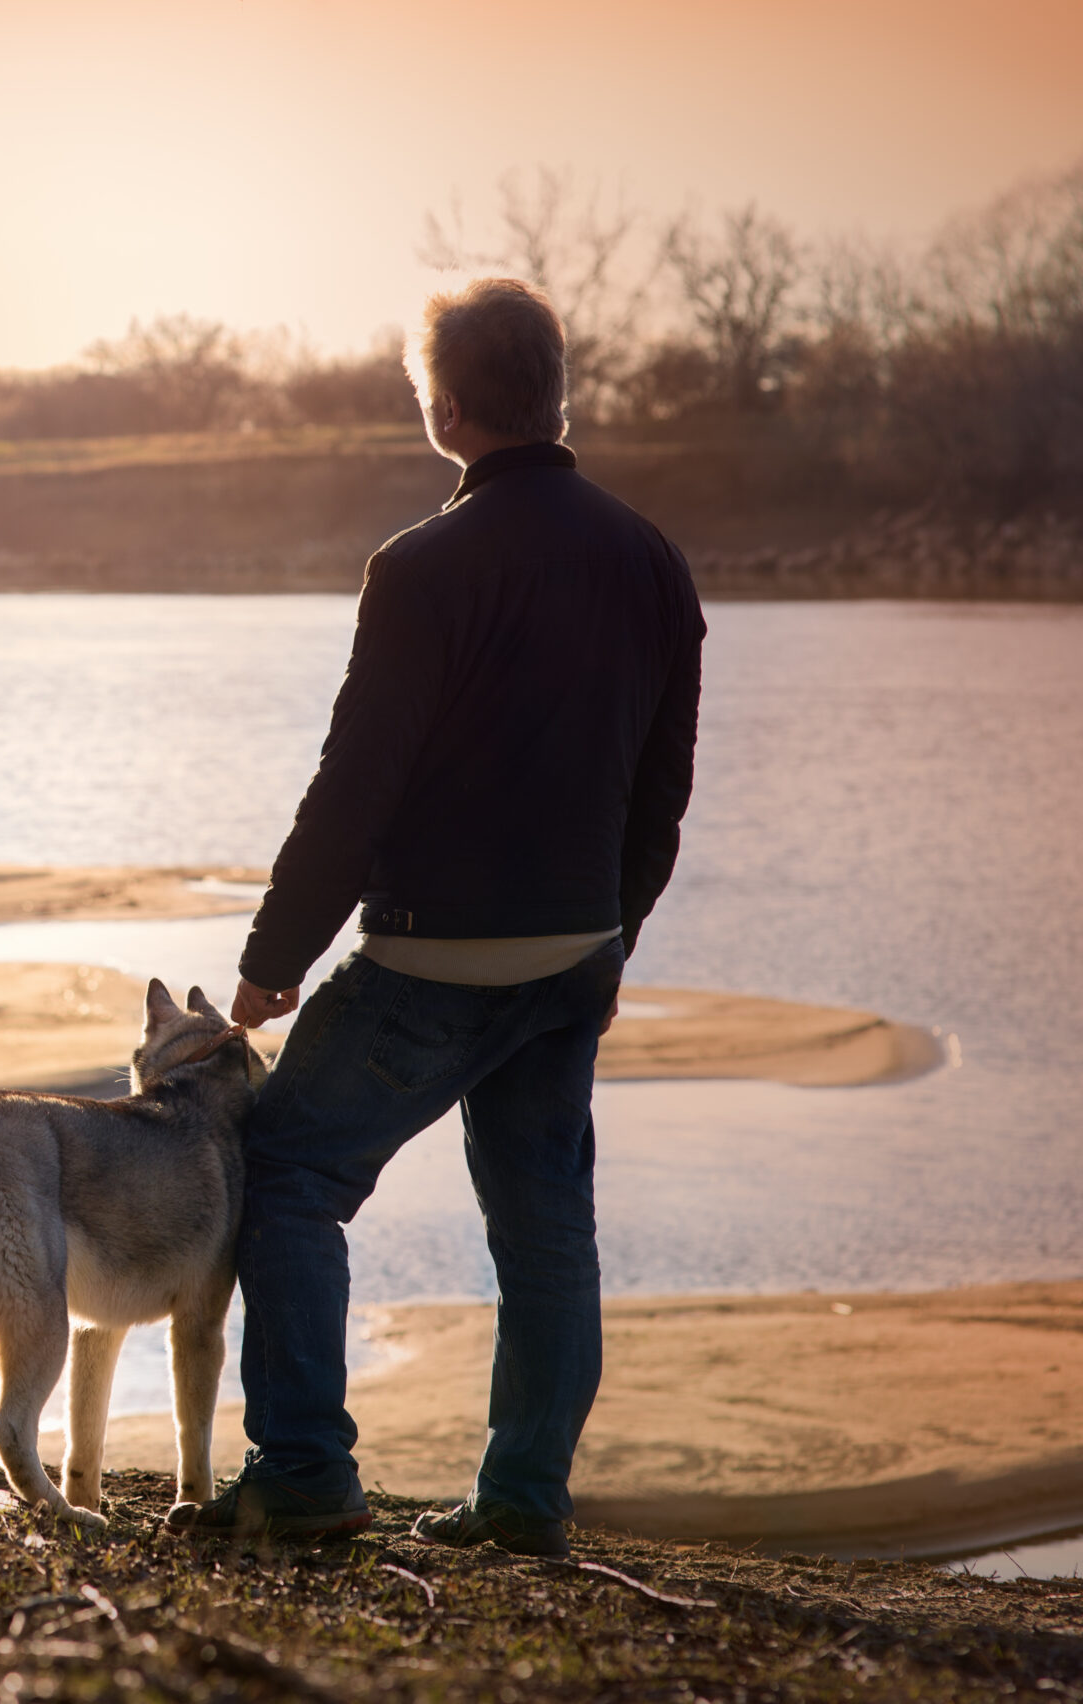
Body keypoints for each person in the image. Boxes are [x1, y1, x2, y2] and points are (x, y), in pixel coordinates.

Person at [169, 277, 704, 1557]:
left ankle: (301, 1472)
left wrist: (268, 963)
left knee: (289, 1174)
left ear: (445, 408)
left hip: (431, 958)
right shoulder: (654, 563)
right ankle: (525, 1503)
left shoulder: (417, 569)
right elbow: (661, 795)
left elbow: (358, 784)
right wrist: (612, 938)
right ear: (556, 395)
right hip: (574, 953)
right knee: (545, 1231)